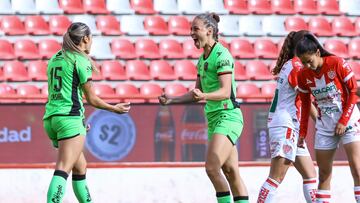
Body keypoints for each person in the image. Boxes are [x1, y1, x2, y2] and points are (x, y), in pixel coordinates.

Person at [159, 13, 248, 203]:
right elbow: (195, 93)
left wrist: (205, 96)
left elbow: (225, 92)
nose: (191, 33)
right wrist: (171, 101)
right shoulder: (201, 61)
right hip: (215, 119)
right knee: (231, 172)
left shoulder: (222, 55)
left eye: (195, 29)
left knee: (211, 168)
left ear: (209, 31)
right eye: (191, 29)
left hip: (228, 116)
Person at [43, 22, 131, 203]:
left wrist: (78, 121)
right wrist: (114, 108)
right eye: (91, 39)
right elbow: (92, 99)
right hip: (69, 119)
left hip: (52, 119)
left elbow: (63, 92)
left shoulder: (55, 58)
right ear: (85, 39)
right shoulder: (80, 60)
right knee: (63, 168)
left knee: (80, 166)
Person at [296, 33, 360, 203]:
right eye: (303, 62)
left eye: (309, 60)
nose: (307, 65)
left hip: (350, 122)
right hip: (325, 127)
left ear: (317, 53)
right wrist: (302, 132)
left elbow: (354, 92)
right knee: (324, 174)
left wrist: (344, 121)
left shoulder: (337, 63)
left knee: (358, 170)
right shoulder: (303, 76)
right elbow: (305, 105)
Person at [257, 31, 317, 203]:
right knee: (276, 177)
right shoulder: (296, 65)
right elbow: (305, 98)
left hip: (291, 126)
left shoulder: (293, 64)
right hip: (286, 126)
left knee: (310, 174)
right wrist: (320, 121)